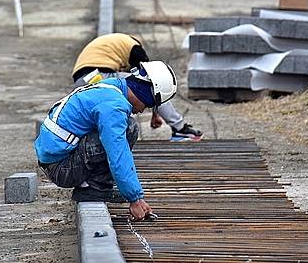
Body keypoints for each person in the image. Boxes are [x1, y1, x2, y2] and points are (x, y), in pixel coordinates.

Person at [36, 61, 177, 219]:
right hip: (62, 169)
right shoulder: (114, 106)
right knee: (129, 128)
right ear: (144, 93)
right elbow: (118, 154)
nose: (143, 110)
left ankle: (96, 185)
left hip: (55, 159)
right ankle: (94, 188)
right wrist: (135, 198)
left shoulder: (112, 86)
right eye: (148, 104)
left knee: (125, 126)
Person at [72, 33, 203, 141]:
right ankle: (179, 128)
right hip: (99, 73)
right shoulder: (135, 49)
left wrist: (155, 114)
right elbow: (152, 83)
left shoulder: (118, 45)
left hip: (81, 79)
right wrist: (155, 112)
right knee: (156, 86)